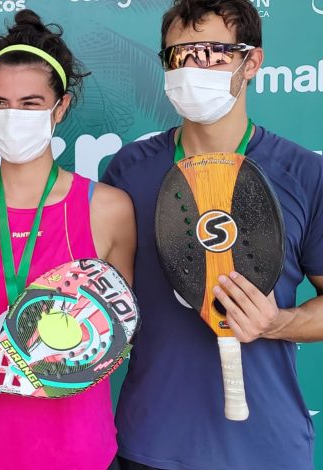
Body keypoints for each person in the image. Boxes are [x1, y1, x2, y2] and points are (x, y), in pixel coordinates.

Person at [102, 1, 323, 469]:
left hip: (267, 449)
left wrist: (276, 323)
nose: (192, 68)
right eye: (178, 56)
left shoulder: (305, 173)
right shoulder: (128, 171)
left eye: (212, 53)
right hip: (152, 442)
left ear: (252, 61)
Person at [0, 10, 136, 470]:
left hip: (78, 451)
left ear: (61, 107)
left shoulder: (108, 209)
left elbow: (115, 331)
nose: (12, 116)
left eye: (30, 103)